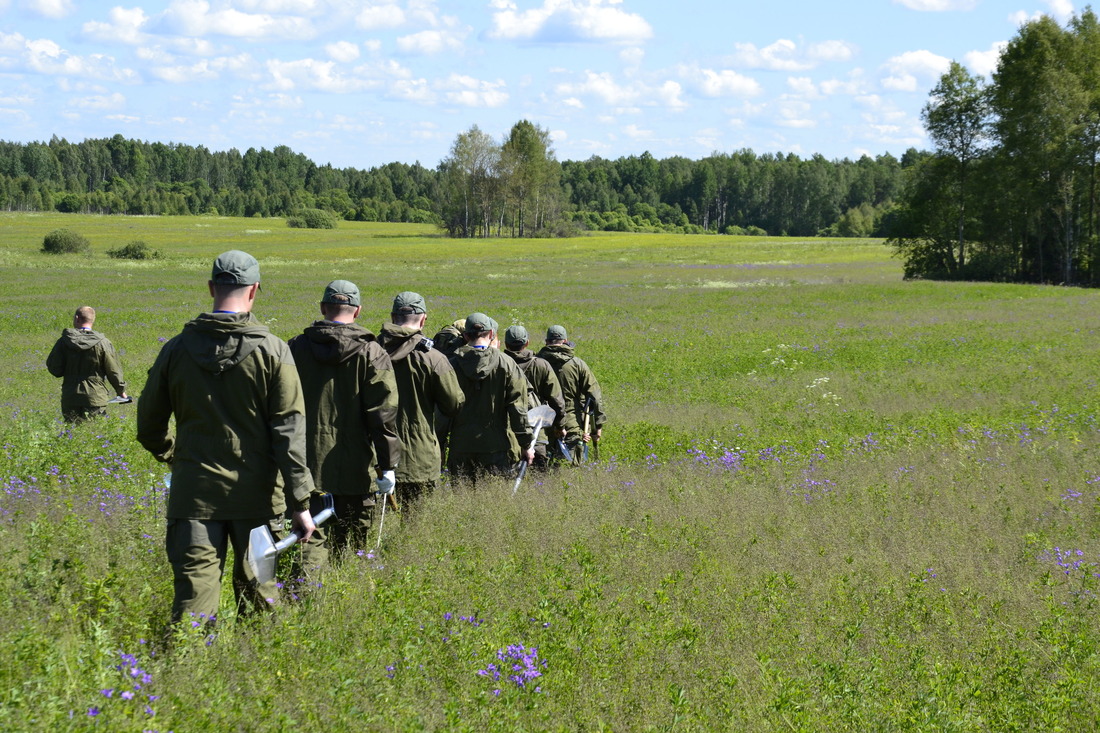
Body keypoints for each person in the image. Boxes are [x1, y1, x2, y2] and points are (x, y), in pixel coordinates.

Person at [137, 250, 316, 626]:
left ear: (210, 288)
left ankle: (187, 671)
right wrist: (300, 501)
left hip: (194, 493)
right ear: (254, 291)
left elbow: (149, 426)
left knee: (194, 597)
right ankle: (257, 671)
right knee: (259, 591)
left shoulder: (176, 350)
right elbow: (288, 431)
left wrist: (174, 454)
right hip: (257, 496)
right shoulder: (273, 351)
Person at [288, 280, 401, 569]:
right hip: (355, 467)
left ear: (323, 308)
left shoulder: (294, 349)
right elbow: (383, 416)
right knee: (353, 550)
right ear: (358, 311)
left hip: (304, 468)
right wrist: (388, 465)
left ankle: (307, 604)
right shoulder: (373, 353)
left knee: (308, 545)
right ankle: (344, 602)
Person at [378, 291, 465, 510]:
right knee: (415, 526)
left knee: (370, 526)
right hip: (419, 456)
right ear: (424, 319)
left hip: (374, 454)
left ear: (392, 316)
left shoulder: (369, 352)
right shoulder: (433, 358)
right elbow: (453, 404)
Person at [446, 312, 534, 482]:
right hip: (496, 447)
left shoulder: (451, 365)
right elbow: (518, 409)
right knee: (493, 497)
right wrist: (526, 444)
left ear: (465, 335)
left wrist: (440, 445)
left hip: (460, 446)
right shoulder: (507, 364)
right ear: (492, 334)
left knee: (461, 500)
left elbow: (442, 410)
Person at [538, 325, 607, 463]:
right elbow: (594, 396)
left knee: (543, 468)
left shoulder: (536, 363)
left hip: (542, 423)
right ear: (565, 340)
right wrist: (597, 426)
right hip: (571, 423)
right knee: (571, 467)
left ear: (546, 341)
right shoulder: (577, 364)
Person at [503, 325, 568, 471]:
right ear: (527, 343)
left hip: (505, 431)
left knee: (506, 475)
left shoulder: (500, 364)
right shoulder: (541, 364)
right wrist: (560, 425)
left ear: (506, 344)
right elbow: (556, 400)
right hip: (536, 431)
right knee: (539, 477)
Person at [46, 306, 128, 422]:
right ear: (92, 320)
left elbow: (55, 369)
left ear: (77, 318)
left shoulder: (63, 342)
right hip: (95, 396)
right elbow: (113, 371)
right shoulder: (103, 343)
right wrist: (121, 391)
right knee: (94, 432)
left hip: (70, 395)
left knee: (72, 432)